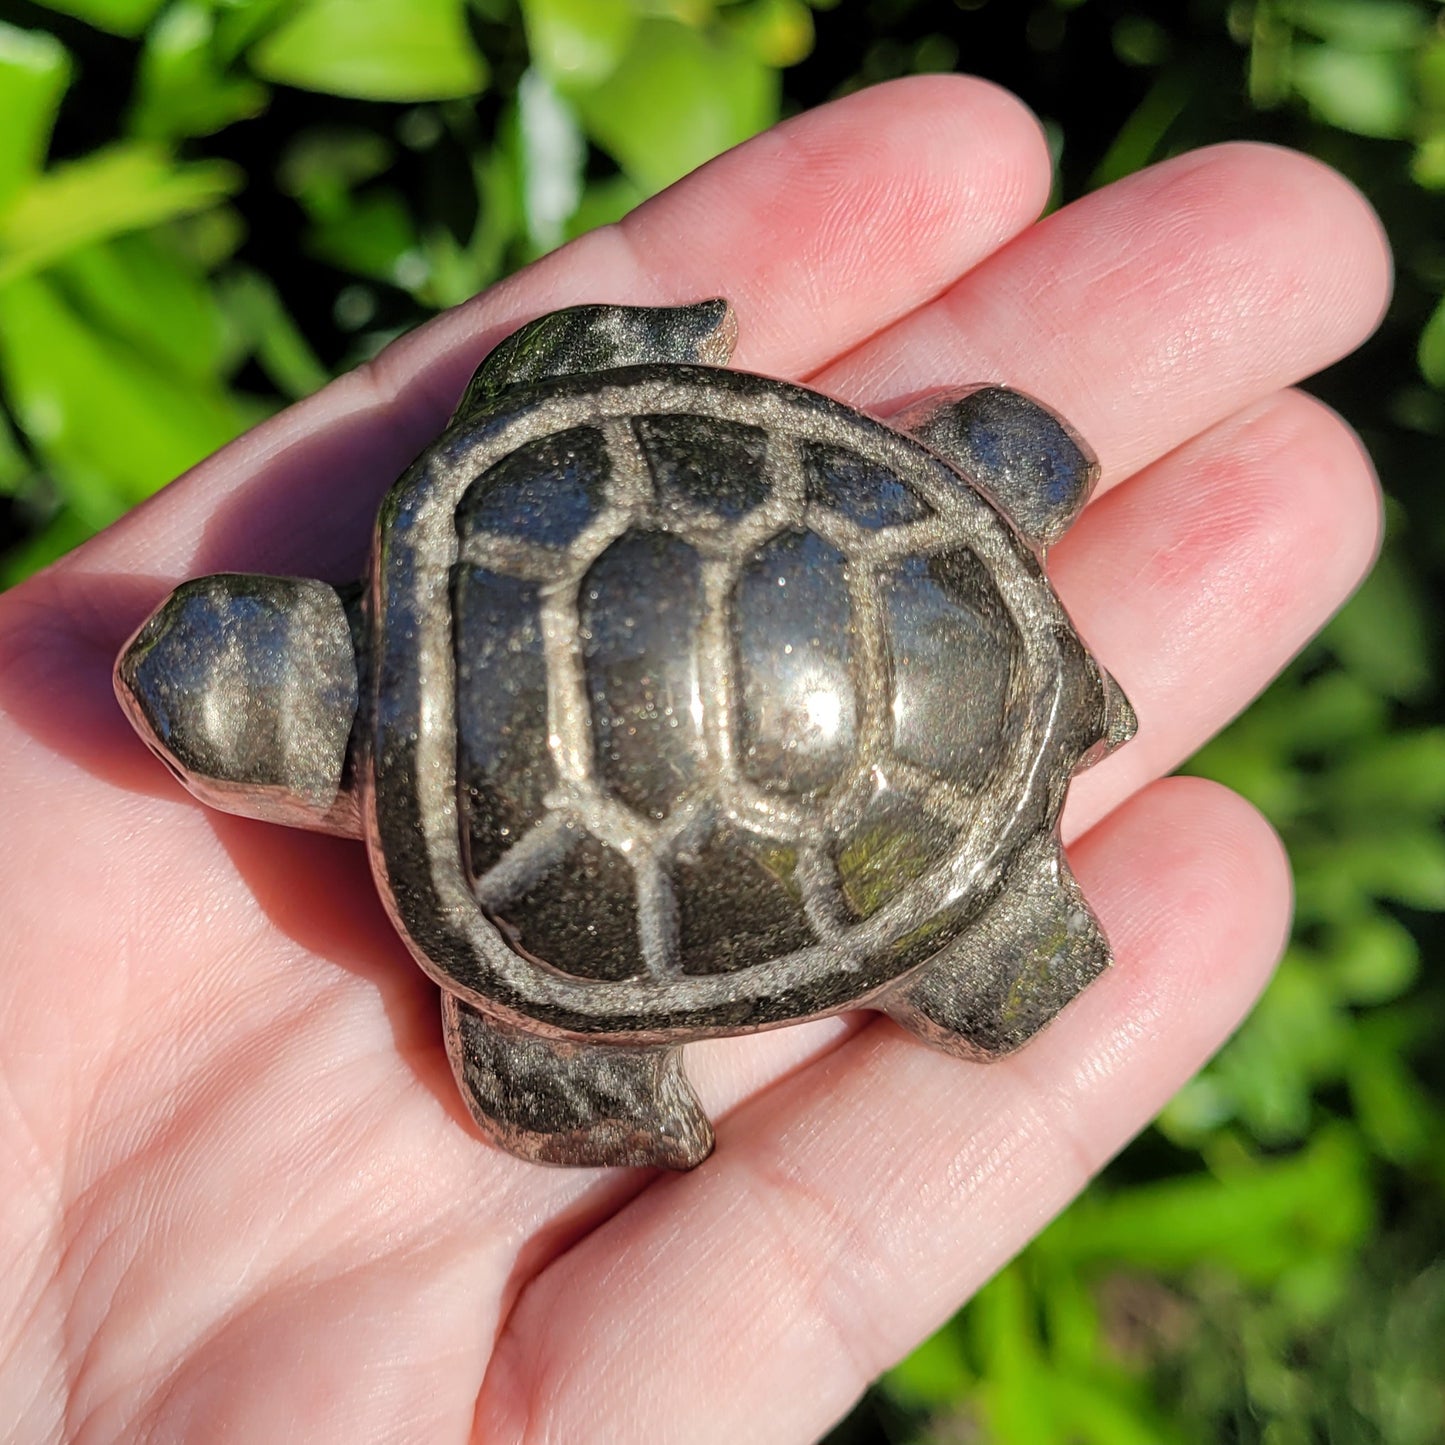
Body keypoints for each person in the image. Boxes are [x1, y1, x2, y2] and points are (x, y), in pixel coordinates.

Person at [0, 74, 1389, 1442]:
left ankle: (987, 944)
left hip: (928, 741)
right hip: (914, 546)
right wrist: (673, 340)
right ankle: (987, 783)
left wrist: (626, 1106)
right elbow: (576, 370)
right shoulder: (489, 473)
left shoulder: (501, 938)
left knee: (633, 1051)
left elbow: (563, 1051)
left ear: (294, 775)